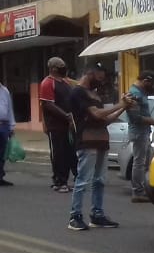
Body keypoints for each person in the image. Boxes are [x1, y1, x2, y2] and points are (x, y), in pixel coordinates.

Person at [67, 61, 135, 231]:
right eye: (99, 76)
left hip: (101, 140)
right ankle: (75, 216)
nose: (101, 80)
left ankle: (97, 214)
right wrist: (120, 104)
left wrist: (123, 107)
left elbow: (105, 120)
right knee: (83, 180)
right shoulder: (78, 92)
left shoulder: (95, 94)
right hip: (87, 140)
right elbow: (96, 114)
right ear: (90, 73)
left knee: (100, 180)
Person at [39, 56, 76, 192]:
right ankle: (59, 181)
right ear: (54, 68)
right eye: (61, 66)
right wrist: (66, 116)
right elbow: (48, 105)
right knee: (58, 154)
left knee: (68, 153)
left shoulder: (65, 82)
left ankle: (64, 180)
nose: (64, 67)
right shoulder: (47, 83)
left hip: (68, 125)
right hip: (55, 125)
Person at [124, 71, 154, 202]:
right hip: (138, 132)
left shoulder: (140, 92)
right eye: (152, 83)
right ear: (146, 80)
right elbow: (135, 117)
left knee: (144, 162)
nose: (153, 86)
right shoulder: (135, 94)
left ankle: (142, 189)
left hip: (143, 131)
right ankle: (137, 191)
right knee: (139, 162)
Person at [0, 75, 12, 187]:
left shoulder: (5, 91)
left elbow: (9, 109)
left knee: (2, 153)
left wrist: (11, 126)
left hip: (4, 125)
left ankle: (0, 177)